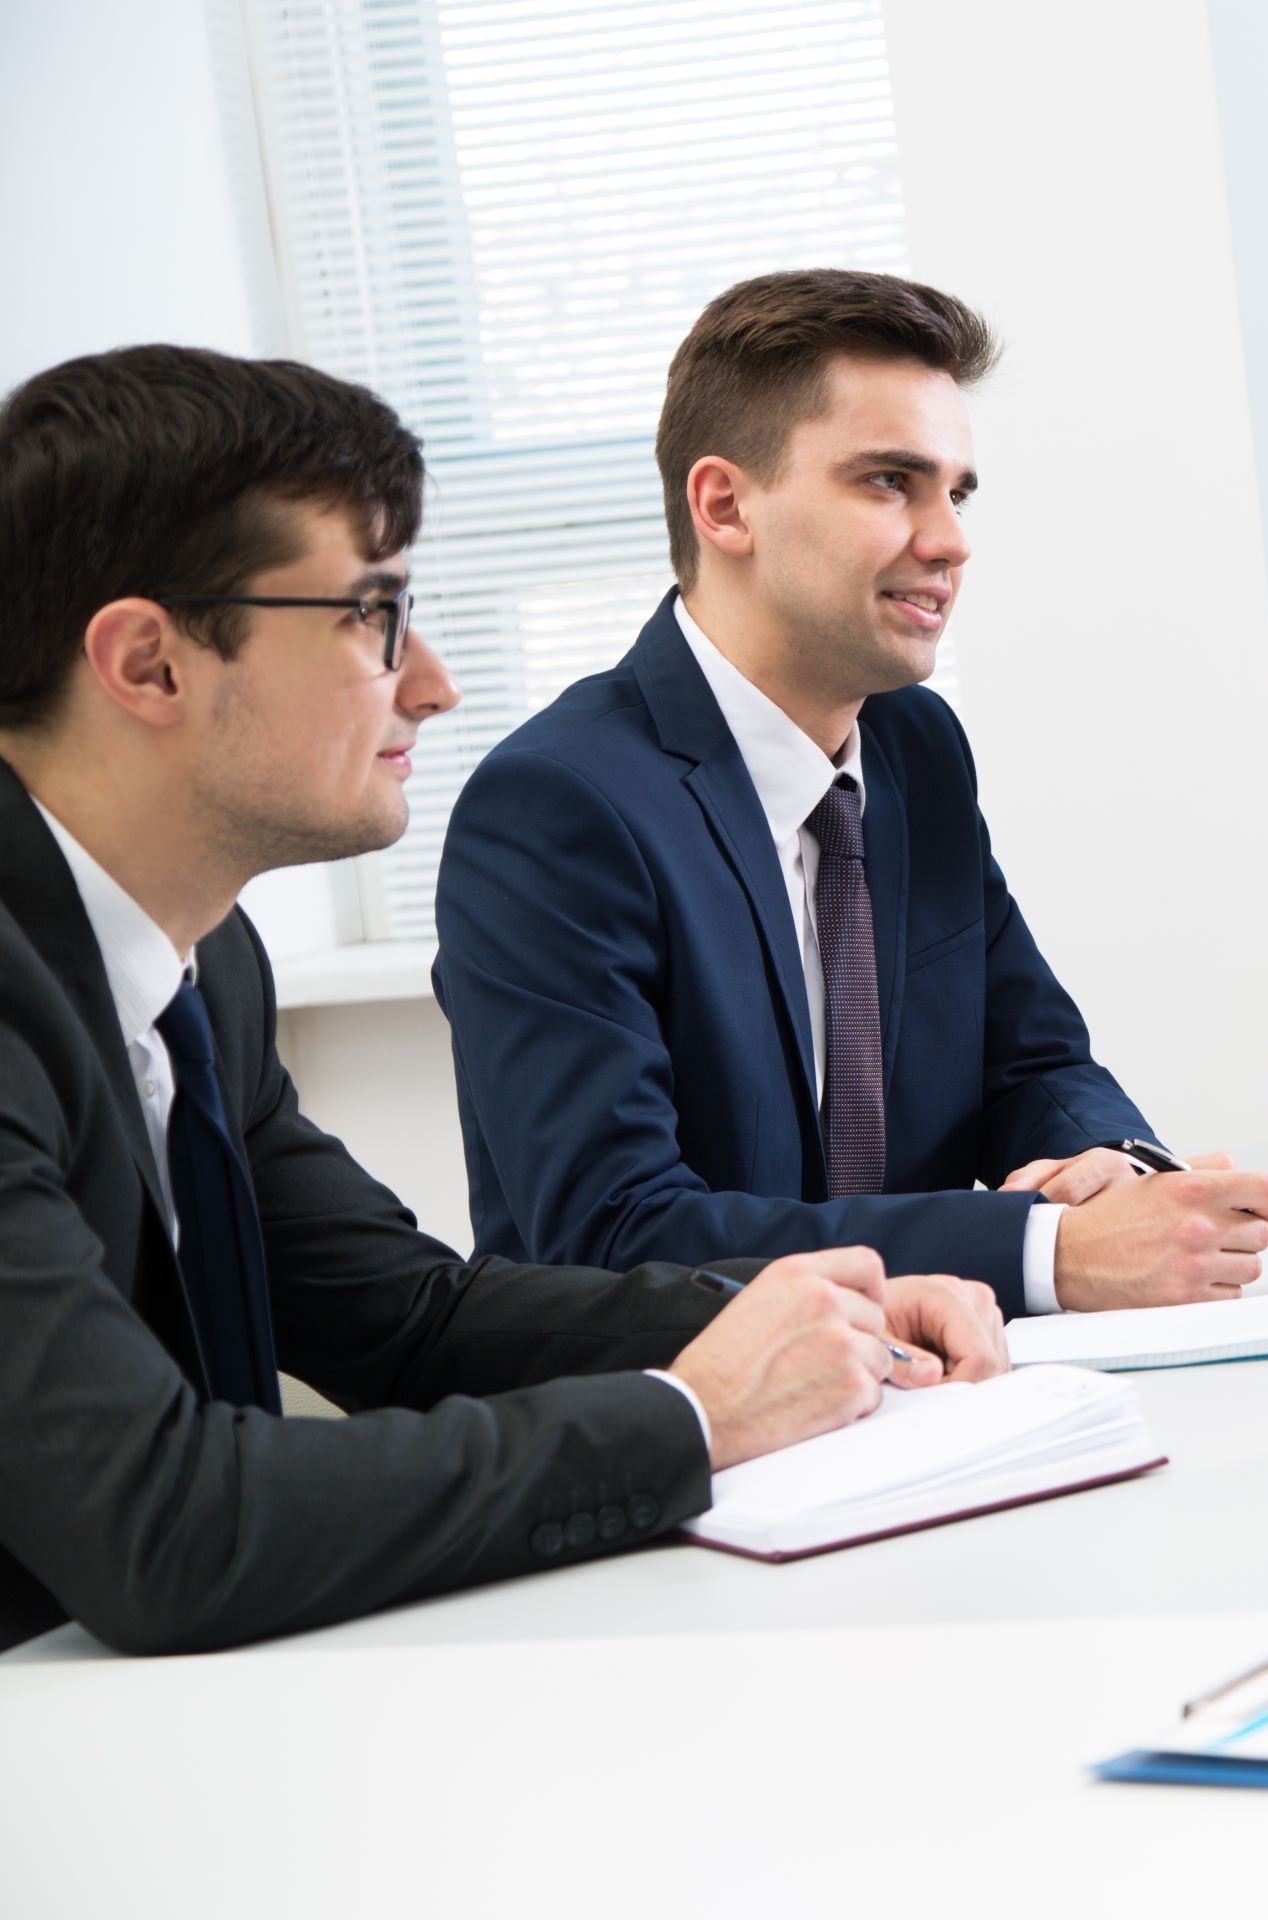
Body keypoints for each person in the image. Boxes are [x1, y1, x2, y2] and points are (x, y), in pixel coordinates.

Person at [0, 345, 1010, 1657]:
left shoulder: (206, 960)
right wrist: (694, 1414)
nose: (432, 681)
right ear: (149, 664)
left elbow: (410, 1322)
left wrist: (802, 1313)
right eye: (373, 616)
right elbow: (172, 1523)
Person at [434, 271, 1268, 1316]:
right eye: (891, 482)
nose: (951, 540)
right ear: (725, 505)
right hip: (699, 1427)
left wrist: (1100, 1163)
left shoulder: (915, 748)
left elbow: (1032, 1064)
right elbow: (615, 1233)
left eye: (957, 492)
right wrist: (1042, 1252)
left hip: (931, 1389)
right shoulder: (557, 808)